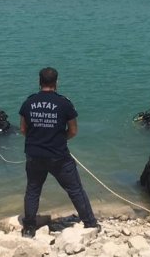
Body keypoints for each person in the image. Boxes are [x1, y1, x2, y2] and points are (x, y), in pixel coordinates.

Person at [18, 67, 99, 237]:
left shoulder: (29, 102)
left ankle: (29, 228)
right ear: (56, 82)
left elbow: (23, 129)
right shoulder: (64, 103)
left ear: (39, 82)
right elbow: (73, 131)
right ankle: (90, 223)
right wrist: (59, 139)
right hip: (58, 155)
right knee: (75, 189)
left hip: (34, 154)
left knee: (33, 190)